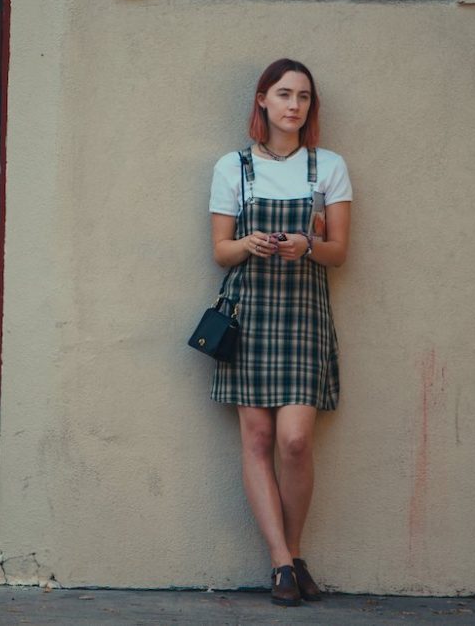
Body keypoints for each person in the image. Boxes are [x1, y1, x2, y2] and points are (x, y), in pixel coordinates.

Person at [207, 58, 352, 606]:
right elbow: (220, 250)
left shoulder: (329, 167)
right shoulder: (233, 167)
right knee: (259, 439)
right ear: (262, 101)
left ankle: (290, 555)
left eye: (305, 97)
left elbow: (339, 253)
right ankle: (282, 566)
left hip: (303, 317)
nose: (295, 105)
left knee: (294, 441)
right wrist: (253, 243)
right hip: (250, 316)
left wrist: (307, 245)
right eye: (284, 94)